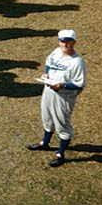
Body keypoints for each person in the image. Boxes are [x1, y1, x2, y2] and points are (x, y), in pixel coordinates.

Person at [27, 30, 87, 167]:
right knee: (47, 117)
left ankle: (60, 154)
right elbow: (49, 63)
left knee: (62, 123)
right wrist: (46, 74)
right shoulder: (56, 52)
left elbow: (80, 84)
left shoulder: (77, 62)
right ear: (58, 42)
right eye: (62, 41)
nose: (65, 44)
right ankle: (45, 143)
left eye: (68, 41)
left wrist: (63, 85)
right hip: (48, 91)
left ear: (74, 42)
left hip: (64, 97)